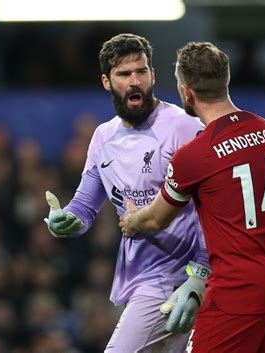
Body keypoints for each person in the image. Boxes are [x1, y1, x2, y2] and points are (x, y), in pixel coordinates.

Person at [120, 41, 265, 353]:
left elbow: (156, 218)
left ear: (186, 91)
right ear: (224, 82)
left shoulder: (196, 155)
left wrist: (131, 220)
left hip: (236, 296)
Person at [43, 34, 211, 353]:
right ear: (107, 81)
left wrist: (200, 275)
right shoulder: (103, 137)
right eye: (124, 74)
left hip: (174, 277)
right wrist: (64, 219)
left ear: (153, 75)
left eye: (141, 72)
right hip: (142, 278)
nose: (135, 81)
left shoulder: (183, 126)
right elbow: (85, 207)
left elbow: (212, 205)